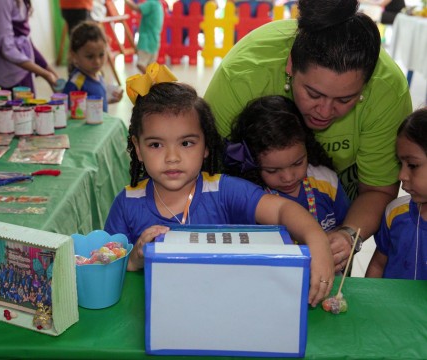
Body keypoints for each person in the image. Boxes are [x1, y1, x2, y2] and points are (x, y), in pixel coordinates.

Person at [203, 0, 412, 274]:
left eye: (345, 99)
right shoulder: (242, 77)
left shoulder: (387, 91)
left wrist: (347, 235)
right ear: (290, 66)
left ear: (367, 84)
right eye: (313, 94)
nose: (325, 112)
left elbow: (377, 189)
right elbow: (206, 179)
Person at [104, 75, 334, 306]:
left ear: (206, 145)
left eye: (186, 143)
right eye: (156, 145)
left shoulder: (224, 191)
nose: (172, 158)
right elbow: (104, 269)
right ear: (138, 148)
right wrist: (134, 260)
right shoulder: (126, 203)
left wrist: (317, 241)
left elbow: (283, 209)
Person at [224, 96, 350, 241]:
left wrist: (340, 239)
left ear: (307, 147)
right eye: (273, 171)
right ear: (253, 164)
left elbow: (346, 225)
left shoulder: (327, 182)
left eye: (298, 163)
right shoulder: (250, 198)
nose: (288, 177)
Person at [366, 108, 427, 279]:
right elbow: (378, 264)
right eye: (400, 164)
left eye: (413, 165)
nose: (401, 176)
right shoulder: (395, 213)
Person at [0, 0, 59, 94]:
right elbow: (6, 49)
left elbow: (26, 43)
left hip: (22, 73)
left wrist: (51, 72)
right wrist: (46, 74)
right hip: (3, 80)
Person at [63, 21, 123, 112]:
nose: (97, 62)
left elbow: (94, 102)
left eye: (101, 54)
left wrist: (109, 100)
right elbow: (66, 111)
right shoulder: (76, 83)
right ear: (74, 55)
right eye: (90, 57)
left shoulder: (98, 74)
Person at [124, 0, 164, 73]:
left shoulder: (151, 3)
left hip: (147, 41)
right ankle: (151, 81)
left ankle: (152, 81)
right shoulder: (158, 4)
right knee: (149, 66)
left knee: (140, 64)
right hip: (154, 41)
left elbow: (136, 8)